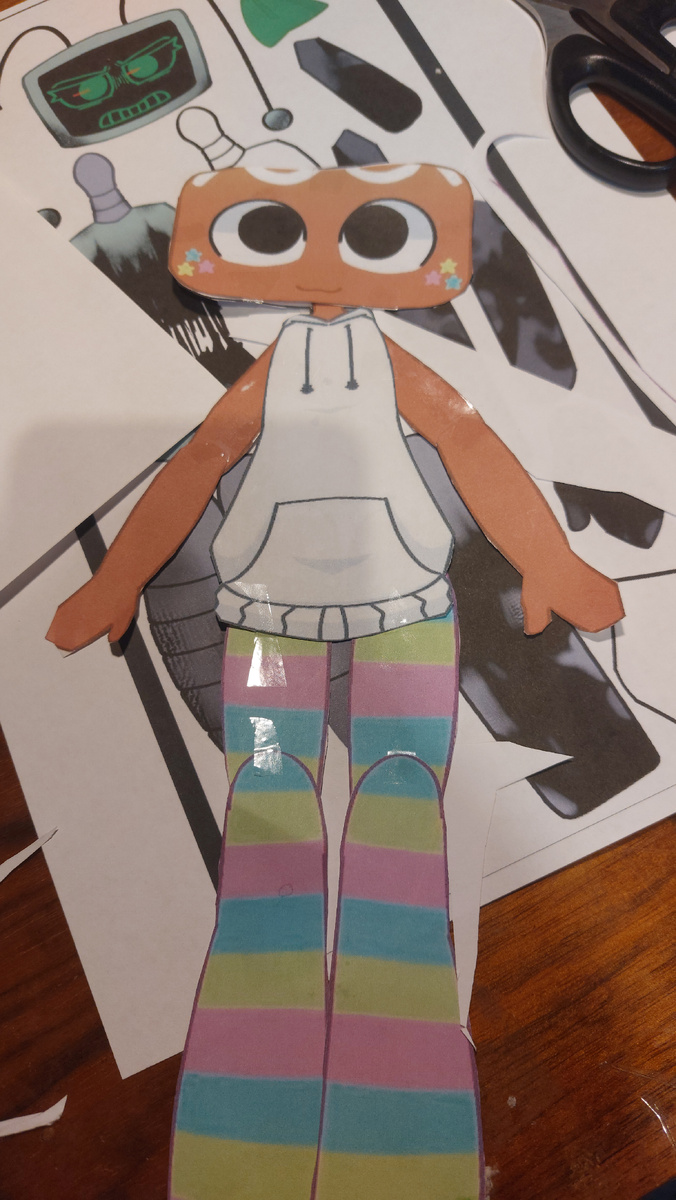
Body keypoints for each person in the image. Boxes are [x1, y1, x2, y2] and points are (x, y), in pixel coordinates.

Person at [48, 161, 623, 1200]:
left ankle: (401, 1147)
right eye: (276, 231)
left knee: (397, 831)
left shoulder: (388, 363)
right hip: (266, 627)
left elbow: (465, 436)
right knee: (270, 828)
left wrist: (548, 558)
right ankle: (242, 1148)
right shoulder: (270, 374)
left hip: (404, 618)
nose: (321, 261)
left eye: (370, 233)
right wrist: (118, 580)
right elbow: (198, 464)